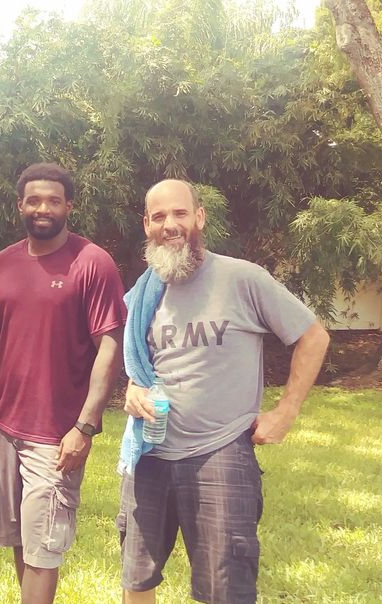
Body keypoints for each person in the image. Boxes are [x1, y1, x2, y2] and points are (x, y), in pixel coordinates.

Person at [117, 179, 330, 603]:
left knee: (224, 589)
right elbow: (141, 364)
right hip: (150, 453)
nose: (170, 224)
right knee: (137, 578)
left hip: (221, 453)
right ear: (146, 225)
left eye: (180, 213)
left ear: (199, 217)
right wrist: (132, 390)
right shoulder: (144, 293)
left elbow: (314, 336)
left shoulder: (242, 278)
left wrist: (284, 412)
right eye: (159, 216)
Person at [0, 162, 126, 603]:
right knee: (20, 540)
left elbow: (109, 346)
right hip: (5, 428)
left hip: (56, 435)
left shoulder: (93, 263)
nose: (43, 208)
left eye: (53, 200)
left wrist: (85, 426)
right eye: (34, 200)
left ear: (69, 205)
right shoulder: (5, 262)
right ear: (20, 205)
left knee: (43, 550)